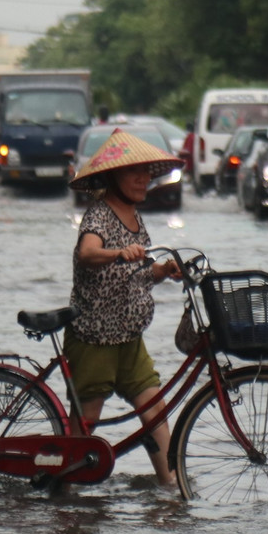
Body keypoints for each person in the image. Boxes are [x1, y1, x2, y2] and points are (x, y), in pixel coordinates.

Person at [66, 129, 184, 485]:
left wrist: (162, 271)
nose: (143, 179)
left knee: (155, 412)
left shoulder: (136, 219)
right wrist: (117, 252)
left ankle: (175, 492)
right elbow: (87, 253)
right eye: (134, 172)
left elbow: (138, 273)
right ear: (112, 177)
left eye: (147, 172)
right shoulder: (99, 217)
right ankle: (63, 501)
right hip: (95, 340)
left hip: (129, 341)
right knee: (83, 433)